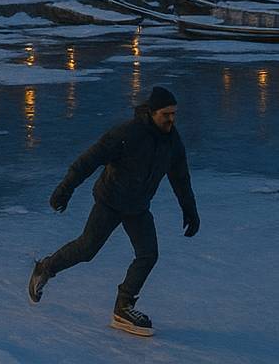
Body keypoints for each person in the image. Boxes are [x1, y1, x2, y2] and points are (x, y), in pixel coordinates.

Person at [27, 86, 200, 338]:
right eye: (166, 114)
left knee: (148, 255)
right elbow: (89, 160)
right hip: (110, 201)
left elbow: (180, 177)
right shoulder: (128, 134)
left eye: (174, 114)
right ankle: (45, 268)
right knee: (87, 249)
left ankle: (123, 307)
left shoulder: (172, 141)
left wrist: (189, 210)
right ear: (152, 113)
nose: (171, 119)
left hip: (138, 206)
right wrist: (65, 189)